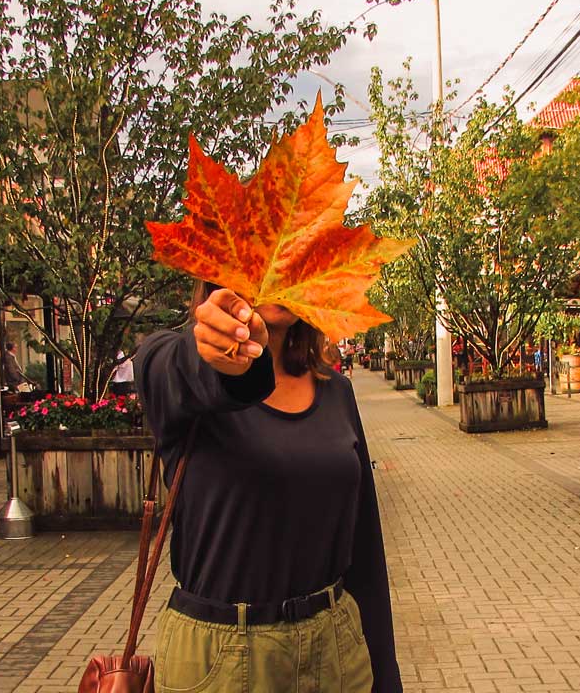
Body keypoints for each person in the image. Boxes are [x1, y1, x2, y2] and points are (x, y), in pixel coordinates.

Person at [135, 282, 400, 692]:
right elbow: (174, 368)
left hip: (336, 651)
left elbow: (364, 551)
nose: (277, 279)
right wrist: (228, 356)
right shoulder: (180, 370)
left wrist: (386, 677)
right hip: (220, 659)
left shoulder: (336, 392)